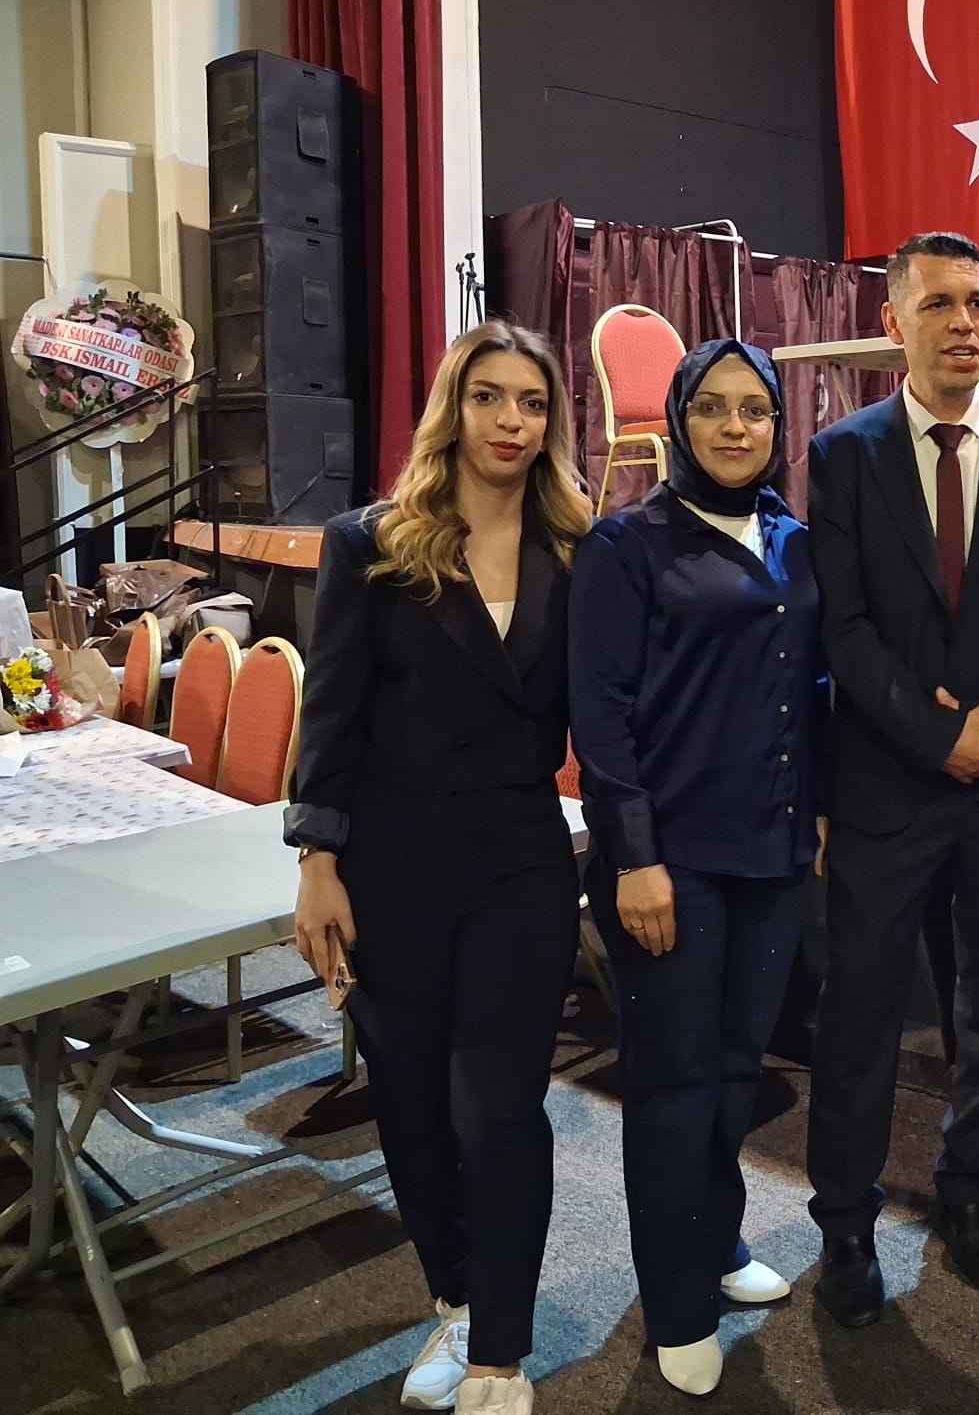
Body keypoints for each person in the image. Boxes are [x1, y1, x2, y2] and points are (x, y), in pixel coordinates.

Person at [287, 322, 592, 1415]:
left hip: (520, 862)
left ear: (553, 422)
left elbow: (611, 716)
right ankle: (456, 1300)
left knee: (495, 1110)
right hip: (390, 864)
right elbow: (330, 715)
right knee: (412, 1107)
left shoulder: (580, 548)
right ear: (453, 409)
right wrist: (318, 860)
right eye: (490, 397)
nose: (512, 421)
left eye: (533, 403)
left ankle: (500, 1352)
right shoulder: (370, 543)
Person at [803, 231, 979, 1326]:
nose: (966, 323)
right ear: (893, 323)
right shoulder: (842, 453)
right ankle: (845, 1223)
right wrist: (934, 736)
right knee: (861, 1016)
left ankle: (970, 1197)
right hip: (888, 783)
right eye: (940, 304)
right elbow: (845, 625)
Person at [568, 340, 826, 1395]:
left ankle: (715, 1243)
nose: (734, 427)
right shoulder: (627, 544)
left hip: (773, 853)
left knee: (733, 1071)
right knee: (674, 1083)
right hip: (670, 863)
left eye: (754, 410)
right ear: (678, 420)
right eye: (712, 408)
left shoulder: (795, 540)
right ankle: (676, 1303)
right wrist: (634, 856)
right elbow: (600, 717)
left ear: (777, 426)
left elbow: (809, 691)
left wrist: (818, 813)